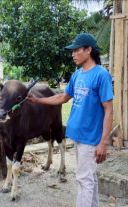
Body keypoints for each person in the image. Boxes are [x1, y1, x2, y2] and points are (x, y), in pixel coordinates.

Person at [28, 33, 113, 207]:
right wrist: (38, 100)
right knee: (90, 178)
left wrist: (103, 142)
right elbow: (63, 97)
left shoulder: (101, 75)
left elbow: (108, 109)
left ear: (88, 50)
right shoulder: (77, 75)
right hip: (78, 135)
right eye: (72, 51)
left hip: (91, 137)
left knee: (84, 180)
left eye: (76, 50)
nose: (73, 54)